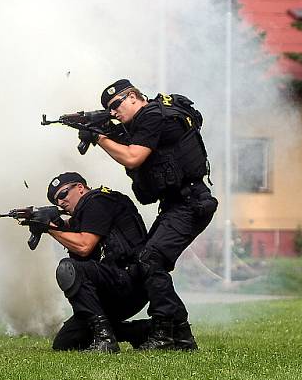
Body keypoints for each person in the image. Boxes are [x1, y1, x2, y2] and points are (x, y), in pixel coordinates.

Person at [80, 78, 218, 350]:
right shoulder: (143, 123)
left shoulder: (152, 115)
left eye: (116, 104)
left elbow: (132, 157)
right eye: (109, 109)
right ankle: (179, 335)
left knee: (150, 259)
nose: (114, 112)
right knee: (145, 259)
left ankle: (167, 333)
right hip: (177, 204)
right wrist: (99, 130)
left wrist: (98, 137)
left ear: (133, 96)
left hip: (191, 202)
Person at [37, 172, 150, 353]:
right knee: (66, 342)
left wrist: (49, 229)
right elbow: (76, 236)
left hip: (129, 280)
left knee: (68, 268)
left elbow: (84, 246)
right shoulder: (85, 214)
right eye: (56, 201)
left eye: (63, 194)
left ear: (80, 188)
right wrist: (45, 222)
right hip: (113, 285)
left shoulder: (98, 201)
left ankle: (105, 339)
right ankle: (141, 331)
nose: (60, 202)